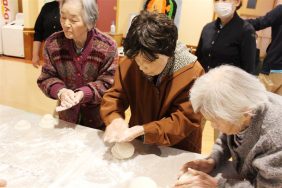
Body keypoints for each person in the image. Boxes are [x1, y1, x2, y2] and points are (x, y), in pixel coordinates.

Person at [101, 11, 204, 153]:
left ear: (169, 51)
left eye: (149, 60)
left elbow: (184, 120)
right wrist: (115, 119)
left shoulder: (192, 72)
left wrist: (145, 130)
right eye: (137, 60)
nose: (142, 66)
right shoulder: (130, 61)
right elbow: (114, 96)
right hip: (140, 141)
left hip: (178, 148)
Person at [175, 65, 282, 187]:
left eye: (215, 120)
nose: (213, 126)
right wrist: (213, 160)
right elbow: (227, 137)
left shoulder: (276, 139)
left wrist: (217, 184)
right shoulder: (243, 105)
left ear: (245, 113)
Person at [37, 0, 118, 129]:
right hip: (66, 118)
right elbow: (46, 77)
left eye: (74, 20)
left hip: (97, 121)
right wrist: (61, 91)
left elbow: (108, 83)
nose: (66, 24)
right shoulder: (53, 44)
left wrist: (83, 93)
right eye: (63, 17)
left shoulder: (108, 47)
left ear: (89, 22)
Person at [196, 0, 256, 74]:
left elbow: (249, 70)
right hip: (204, 82)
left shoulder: (246, 30)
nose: (220, 2)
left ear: (237, 2)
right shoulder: (207, 28)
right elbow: (198, 59)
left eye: (224, 0)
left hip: (230, 84)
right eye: (216, 0)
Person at [247, 5, 282, 95]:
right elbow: (259, 23)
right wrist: (235, 23)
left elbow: (259, 23)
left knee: (258, 104)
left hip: (274, 69)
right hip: (274, 69)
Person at [32, 0, 62, 68]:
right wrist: (35, 55)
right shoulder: (47, 7)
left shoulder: (75, 5)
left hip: (68, 54)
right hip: (49, 54)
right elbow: (38, 32)